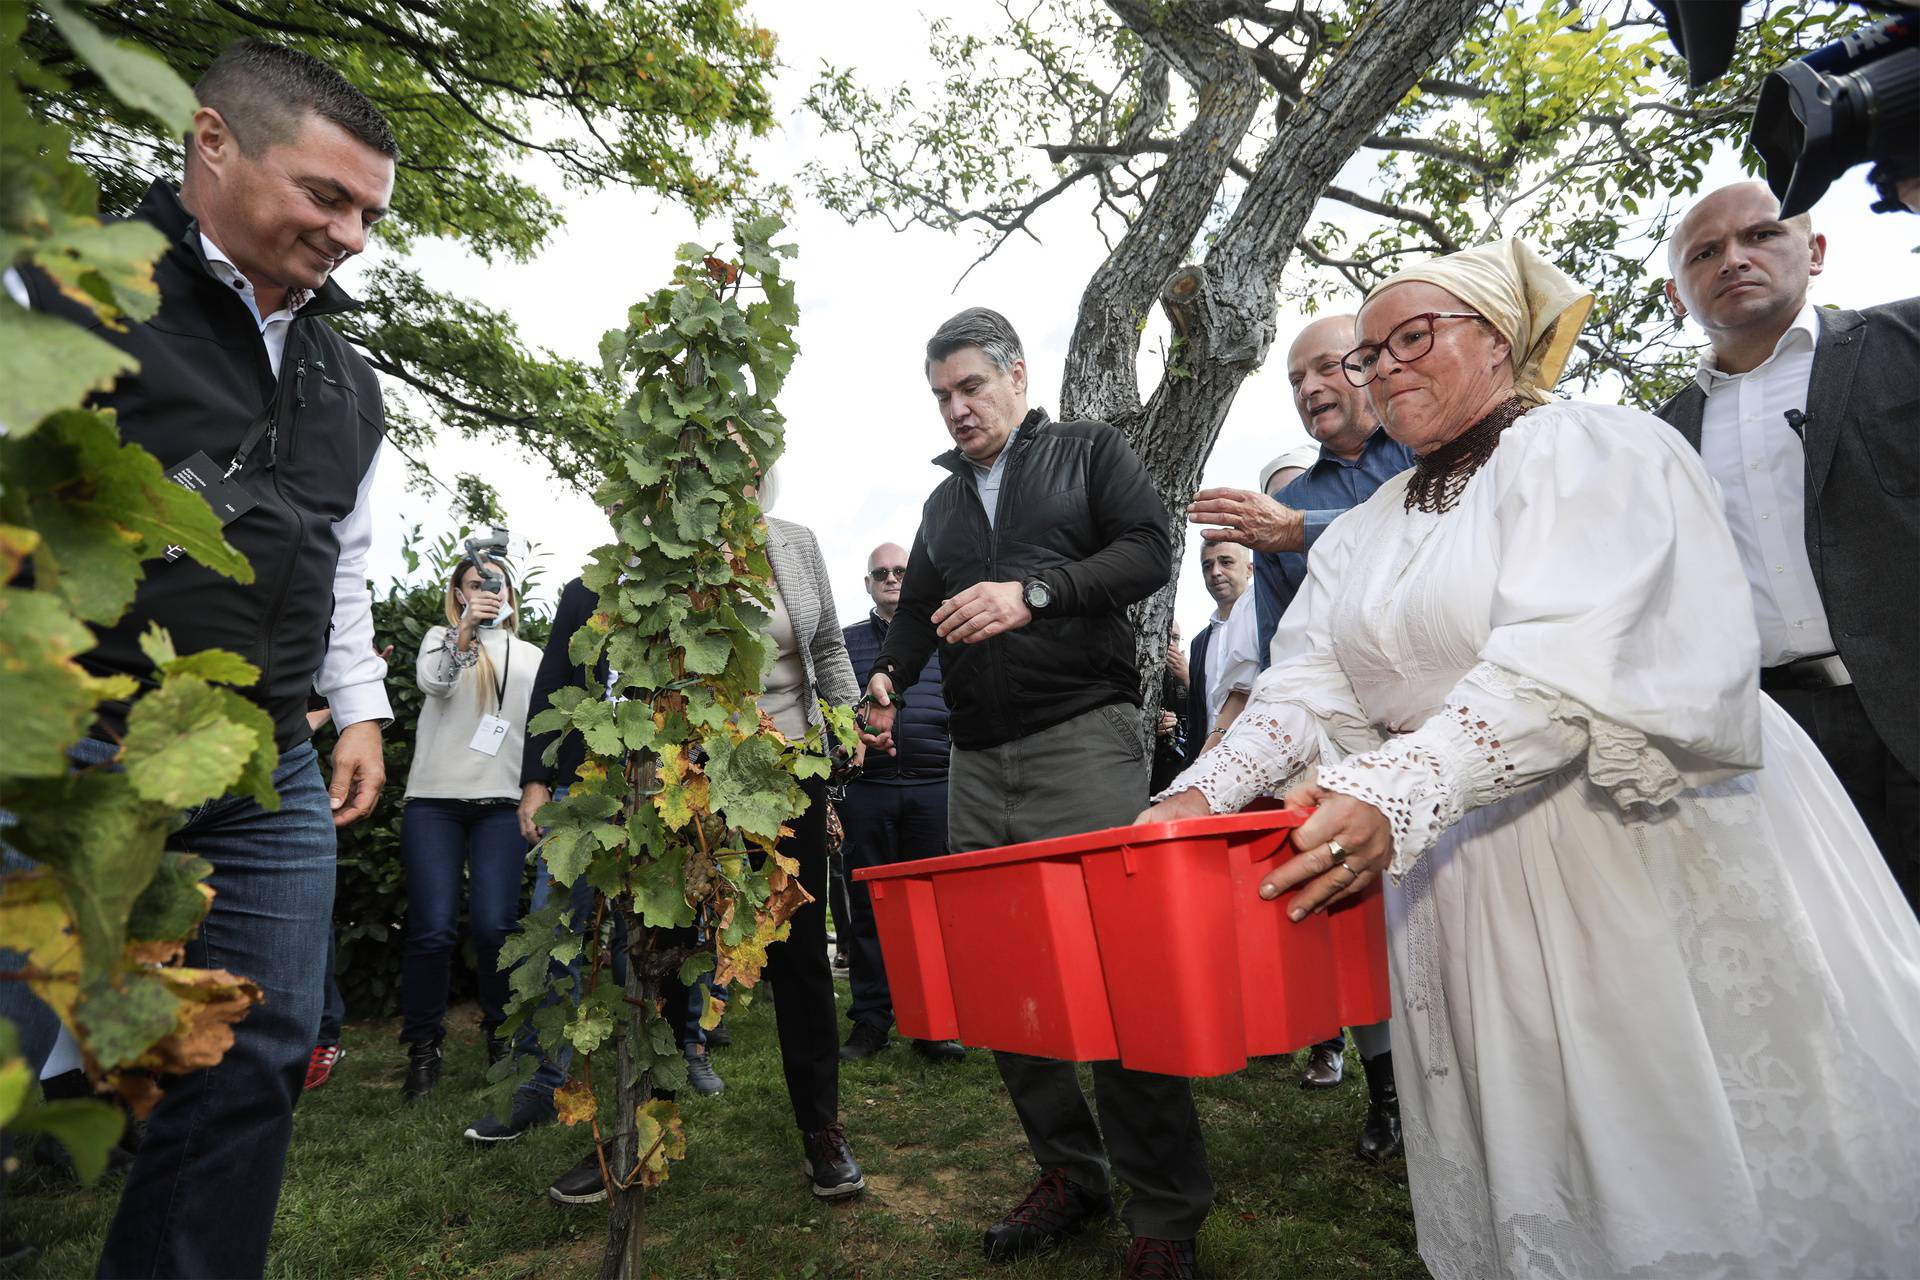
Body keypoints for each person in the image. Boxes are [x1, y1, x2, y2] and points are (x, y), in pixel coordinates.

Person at [1144, 238, 1920, 1280]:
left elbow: (1563, 656)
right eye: (1370, 354)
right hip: (1462, 873)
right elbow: (1309, 679)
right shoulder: (1369, 524)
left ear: (1500, 337)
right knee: (1538, 1137)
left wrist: (1399, 784)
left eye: (1414, 335)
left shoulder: (1598, 451)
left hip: (1622, 841)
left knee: (1674, 1122)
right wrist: (1197, 793)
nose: (1386, 367)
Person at [0, 38, 394, 1277]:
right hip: (72, 742)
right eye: (325, 196)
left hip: (265, 761)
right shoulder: (60, 293)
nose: (349, 236)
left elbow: (347, 557)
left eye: (370, 213)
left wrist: (361, 706)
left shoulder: (350, 379)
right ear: (211, 142)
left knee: (251, 1054)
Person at [859, 309, 1207, 1280]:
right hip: (978, 761)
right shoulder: (942, 509)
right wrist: (887, 677)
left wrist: (1035, 593)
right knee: (1013, 983)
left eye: (970, 386)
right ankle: (1070, 1172)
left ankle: (1166, 1214)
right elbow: (920, 616)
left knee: (1115, 975)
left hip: (1082, 741)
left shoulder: (1088, 453)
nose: (957, 407)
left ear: (1016, 374)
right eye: (941, 395)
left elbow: (1149, 551)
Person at [545, 469, 870, 1205]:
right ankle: (631, 1133)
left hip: (788, 772)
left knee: (797, 954)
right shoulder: (664, 550)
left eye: (751, 460)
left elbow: (824, 650)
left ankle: (823, 1130)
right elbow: (630, 663)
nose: (737, 475)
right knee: (654, 952)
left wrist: (848, 718)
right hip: (685, 777)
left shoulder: (795, 544)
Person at [1658, 180, 1918, 911]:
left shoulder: (1907, 341)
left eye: (1761, 236)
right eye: (1705, 253)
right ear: (1678, 293)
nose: (1733, 260)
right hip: (1778, 742)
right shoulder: (1659, 438)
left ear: (1818, 251)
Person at [395, 558, 542, 1100]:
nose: (488, 590)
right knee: (431, 928)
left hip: (501, 805)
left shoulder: (531, 655)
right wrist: (463, 632)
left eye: (497, 583)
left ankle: (501, 1040)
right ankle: (423, 1050)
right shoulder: (440, 639)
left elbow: (542, 727)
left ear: (511, 592)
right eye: (477, 583)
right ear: (459, 590)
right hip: (434, 802)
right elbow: (434, 683)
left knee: (495, 928)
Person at [837, 542, 964, 1063]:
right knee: (868, 912)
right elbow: (831, 709)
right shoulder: (845, 645)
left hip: (936, 788)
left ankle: (933, 1025)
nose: (891, 579)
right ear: (868, 584)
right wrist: (853, 734)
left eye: (901, 571)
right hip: (868, 793)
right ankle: (870, 1021)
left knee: (930, 911)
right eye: (880, 573)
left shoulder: (950, 638)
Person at [1181, 542, 1255, 768]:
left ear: (1250, 569)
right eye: (1207, 565)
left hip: (1259, 765)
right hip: (1208, 770)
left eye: (1226, 562)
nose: (1216, 572)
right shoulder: (1199, 642)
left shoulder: (1266, 624)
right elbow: (1198, 714)